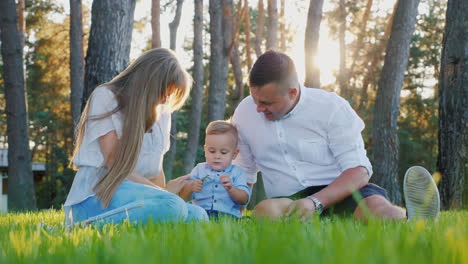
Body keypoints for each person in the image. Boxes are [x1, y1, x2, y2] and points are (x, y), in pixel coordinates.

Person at [232, 50, 440, 221]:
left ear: (293, 92)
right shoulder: (245, 112)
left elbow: (358, 171)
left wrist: (314, 202)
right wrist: (234, 215)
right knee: (264, 211)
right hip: (288, 202)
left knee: (375, 208)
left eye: (267, 103)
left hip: (343, 193)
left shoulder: (331, 108)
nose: (258, 108)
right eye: (255, 99)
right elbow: (244, 171)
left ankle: (412, 221)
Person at [64, 48, 208, 226]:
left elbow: (156, 170)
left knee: (198, 215)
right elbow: (114, 162)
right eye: (165, 93)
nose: (166, 100)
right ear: (150, 83)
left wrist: (162, 194)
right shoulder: (106, 96)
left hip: (136, 197)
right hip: (95, 198)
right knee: (174, 205)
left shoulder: (162, 112)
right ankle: (81, 227)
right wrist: (165, 195)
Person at [179, 121, 251, 219]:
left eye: (223, 152)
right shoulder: (199, 169)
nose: (217, 156)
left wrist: (231, 188)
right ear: (205, 150)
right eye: (212, 151)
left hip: (227, 216)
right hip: (201, 214)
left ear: (234, 154)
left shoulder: (237, 173)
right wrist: (190, 187)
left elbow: (244, 199)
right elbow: (183, 197)